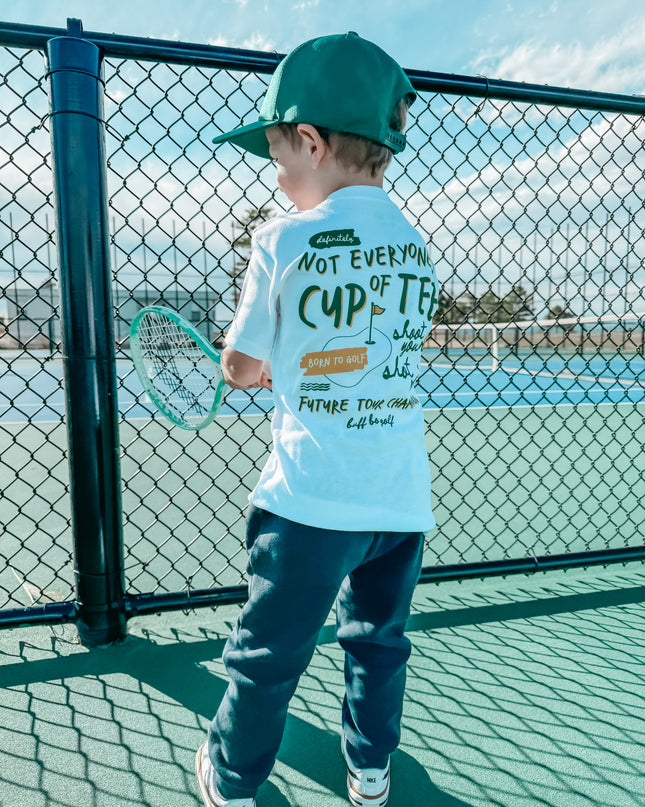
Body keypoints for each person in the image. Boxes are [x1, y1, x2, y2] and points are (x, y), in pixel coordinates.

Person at [196, 31, 439, 807]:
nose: (277, 177)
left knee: (268, 651)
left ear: (308, 139)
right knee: (378, 646)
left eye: (278, 159)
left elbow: (239, 368)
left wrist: (255, 366)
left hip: (307, 502)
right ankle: (369, 772)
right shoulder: (413, 246)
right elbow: (384, 346)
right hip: (399, 502)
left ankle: (233, 778)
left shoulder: (280, 237)